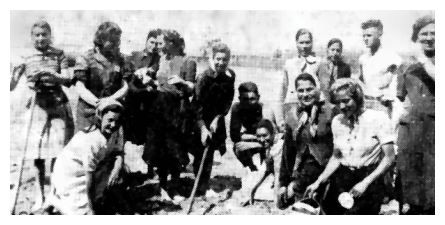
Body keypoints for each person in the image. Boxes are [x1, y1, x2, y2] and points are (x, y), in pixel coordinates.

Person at [10, 20, 75, 211]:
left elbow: (68, 79)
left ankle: (54, 194)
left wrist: (50, 74)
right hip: (37, 108)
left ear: (50, 35)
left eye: (44, 34)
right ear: (32, 37)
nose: (40, 38)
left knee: (58, 154)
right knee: (36, 154)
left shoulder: (59, 54)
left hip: (57, 105)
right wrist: (15, 74)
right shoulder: (26, 57)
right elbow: (10, 87)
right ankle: (40, 194)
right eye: (36, 35)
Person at [305, 78, 396, 215]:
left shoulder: (378, 118)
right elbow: (336, 157)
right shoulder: (337, 121)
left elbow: (389, 158)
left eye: (346, 101)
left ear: (358, 98)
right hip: (342, 178)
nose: (341, 106)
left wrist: (365, 183)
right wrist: (318, 181)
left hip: (369, 180)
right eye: (337, 102)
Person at [141, 29, 197, 201]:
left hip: (177, 110)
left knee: (175, 150)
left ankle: (175, 186)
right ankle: (163, 187)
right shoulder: (160, 59)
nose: (158, 45)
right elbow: (154, 77)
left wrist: (182, 83)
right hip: (159, 108)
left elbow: (192, 88)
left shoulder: (188, 61)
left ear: (172, 43)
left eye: (161, 42)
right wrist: (147, 76)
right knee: (160, 150)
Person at [47, 100, 127, 215]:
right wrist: (91, 208)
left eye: (117, 121)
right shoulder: (92, 140)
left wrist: (117, 167)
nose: (113, 125)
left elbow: (119, 151)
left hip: (91, 171)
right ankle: (58, 200)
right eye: (110, 120)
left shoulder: (116, 130)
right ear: (100, 118)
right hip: (70, 176)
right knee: (83, 211)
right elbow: (89, 177)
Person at [277, 73, 335, 209]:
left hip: (328, 171)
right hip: (303, 173)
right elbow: (288, 152)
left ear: (317, 89)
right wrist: (283, 184)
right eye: (301, 90)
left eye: (309, 89)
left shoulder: (330, 112)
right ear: (295, 92)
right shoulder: (292, 115)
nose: (305, 94)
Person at [396, 15, 435, 215]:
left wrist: (423, 60)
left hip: (436, 130)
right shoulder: (406, 66)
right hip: (411, 130)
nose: (429, 38)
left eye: (434, 34)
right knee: (410, 177)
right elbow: (401, 100)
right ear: (416, 37)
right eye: (424, 34)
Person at [191, 42, 235, 196]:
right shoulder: (203, 78)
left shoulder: (229, 79)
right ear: (212, 58)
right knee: (200, 151)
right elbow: (196, 105)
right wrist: (203, 128)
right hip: (199, 119)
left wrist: (218, 118)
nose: (221, 63)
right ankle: (198, 186)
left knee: (209, 152)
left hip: (215, 120)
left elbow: (227, 102)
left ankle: (204, 185)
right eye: (218, 59)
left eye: (224, 60)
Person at [73, 21, 129, 132]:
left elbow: (125, 86)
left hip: (111, 113)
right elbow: (80, 86)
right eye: (112, 41)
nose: (116, 44)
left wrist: (109, 101)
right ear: (101, 39)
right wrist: (97, 103)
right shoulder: (86, 58)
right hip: (88, 113)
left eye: (118, 40)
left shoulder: (121, 60)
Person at [123, 28, 163, 177]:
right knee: (130, 134)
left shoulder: (160, 60)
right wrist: (138, 74)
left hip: (150, 103)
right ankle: (126, 169)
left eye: (157, 43)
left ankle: (150, 169)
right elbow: (127, 77)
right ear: (146, 41)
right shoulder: (135, 56)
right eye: (151, 42)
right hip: (133, 102)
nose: (154, 46)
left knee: (149, 135)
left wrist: (151, 80)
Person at [278, 28, 322, 132]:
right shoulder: (289, 64)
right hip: (292, 107)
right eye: (301, 42)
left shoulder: (318, 63)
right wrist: (280, 119)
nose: (304, 46)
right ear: (296, 43)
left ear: (312, 43)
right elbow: (282, 93)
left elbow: (323, 90)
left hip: (313, 108)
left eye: (307, 42)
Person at [230, 82, 278, 172]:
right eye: (245, 99)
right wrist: (253, 140)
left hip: (269, 142)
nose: (248, 103)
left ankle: (270, 169)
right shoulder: (237, 108)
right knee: (238, 147)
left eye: (252, 99)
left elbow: (274, 138)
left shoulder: (265, 110)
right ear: (239, 99)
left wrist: (252, 143)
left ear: (258, 98)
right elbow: (234, 136)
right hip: (257, 138)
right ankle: (252, 169)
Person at [245, 119, 282, 206]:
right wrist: (253, 190)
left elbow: (278, 175)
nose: (261, 139)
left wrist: (276, 206)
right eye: (258, 136)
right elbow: (269, 170)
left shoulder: (279, 145)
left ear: (273, 134)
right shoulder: (268, 145)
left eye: (265, 135)